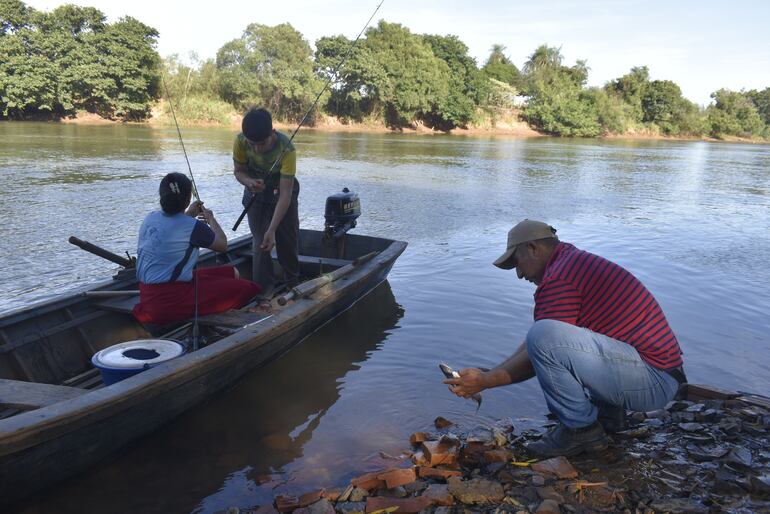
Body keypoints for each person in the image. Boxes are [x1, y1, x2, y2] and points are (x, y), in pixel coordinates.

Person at [445, 219, 686, 458]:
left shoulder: (560, 276)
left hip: (654, 382)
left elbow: (543, 344)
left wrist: (486, 381)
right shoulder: (570, 262)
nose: (519, 274)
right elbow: (540, 344)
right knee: (547, 334)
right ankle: (608, 416)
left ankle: (581, 430)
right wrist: (493, 371)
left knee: (545, 335)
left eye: (517, 262)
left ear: (533, 248)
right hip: (661, 374)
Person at [132, 172, 262, 326]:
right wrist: (211, 219)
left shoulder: (150, 217)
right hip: (169, 301)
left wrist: (189, 215)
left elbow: (174, 225)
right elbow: (222, 245)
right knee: (248, 288)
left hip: (147, 294)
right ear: (187, 200)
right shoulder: (192, 226)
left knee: (231, 272)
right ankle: (221, 321)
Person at [233, 107, 300, 297]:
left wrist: (272, 229)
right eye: (251, 144)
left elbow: (285, 194)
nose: (256, 148)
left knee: (287, 239)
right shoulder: (240, 142)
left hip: (283, 192)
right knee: (260, 242)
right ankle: (263, 294)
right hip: (255, 193)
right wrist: (249, 182)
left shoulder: (287, 150)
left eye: (261, 143)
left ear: (272, 133)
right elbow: (238, 171)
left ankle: (292, 283)